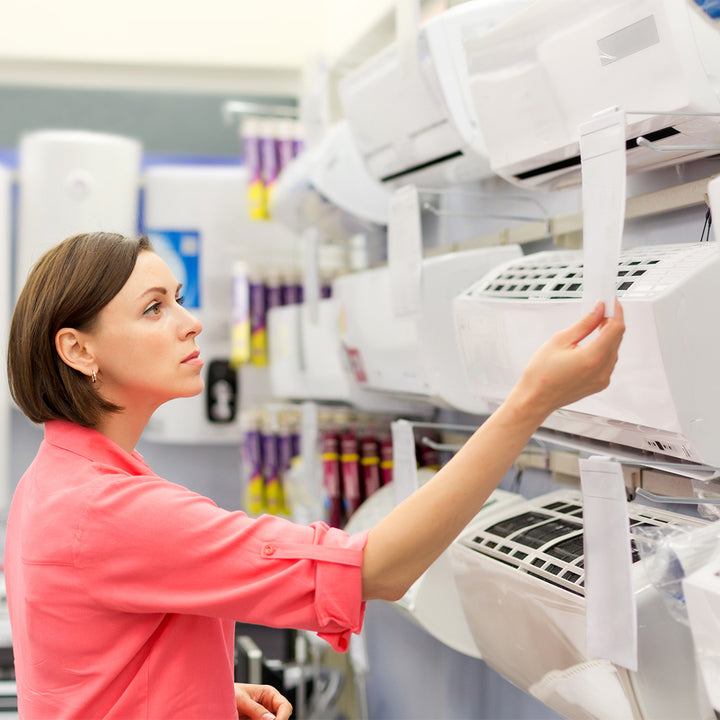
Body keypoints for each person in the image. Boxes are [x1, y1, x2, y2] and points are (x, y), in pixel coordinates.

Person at [4, 232, 625, 720]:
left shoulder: (55, 481)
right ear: (77, 350)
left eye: (180, 298)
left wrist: (193, 692)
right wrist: (528, 404)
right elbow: (377, 569)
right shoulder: (114, 511)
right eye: (153, 309)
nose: (189, 322)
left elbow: (88, 668)